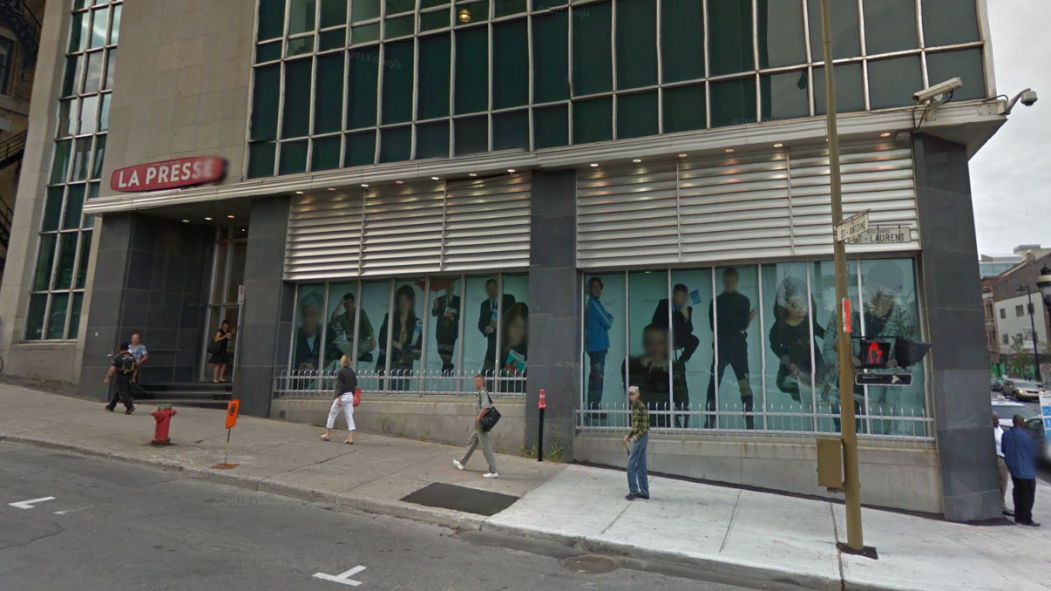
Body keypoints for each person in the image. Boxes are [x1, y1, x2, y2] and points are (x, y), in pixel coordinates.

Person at [706, 268, 757, 429]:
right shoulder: (721, 301)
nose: (729, 283)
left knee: (743, 384)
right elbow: (716, 326)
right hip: (725, 347)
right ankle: (710, 420)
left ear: (735, 281)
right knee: (715, 384)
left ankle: (749, 420)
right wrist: (739, 323)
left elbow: (721, 325)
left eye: (731, 281)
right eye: (727, 281)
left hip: (731, 347)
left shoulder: (732, 301)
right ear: (724, 281)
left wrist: (731, 323)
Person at [768, 277, 826, 405]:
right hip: (793, 371)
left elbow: (824, 334)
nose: (800, 309)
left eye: (802, 303)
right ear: (784, 307)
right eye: (794, 305)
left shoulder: (808, 322)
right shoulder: (779, 327)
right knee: (799, 394)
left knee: (816, 395)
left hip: (814, 367)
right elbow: (775, 346)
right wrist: (789, 363)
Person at [622, 323, 688, 428]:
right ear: (644, 343)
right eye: (650, 342)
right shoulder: (632, 364)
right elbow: (632, 397)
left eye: (660, 342)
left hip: (669, 425)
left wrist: (667, 373)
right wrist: (644, 370)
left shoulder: (675, 367)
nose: (655, 347)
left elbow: (682, 403)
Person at [377, 285, 423, 391]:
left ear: (411, 301)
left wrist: (397, 345)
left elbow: (417, 353)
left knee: (402, 397)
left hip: (405, 369)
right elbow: (383, 342)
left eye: (406, 300)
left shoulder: (416, 323)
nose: (403, 303)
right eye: (401, 300)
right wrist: (406, 349)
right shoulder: (389, 318)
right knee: (384, 398)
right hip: (386, 367)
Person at [453, 374, 498, 478]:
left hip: (481, 423)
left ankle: (493, 471)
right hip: (479, 424)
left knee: (485, 447)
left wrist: (478, 419)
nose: (476, 383)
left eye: (478, 381)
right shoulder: (480, 392)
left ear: (483, 382)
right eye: (475, 381)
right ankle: (462, 463)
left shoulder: (482, 392)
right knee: (471, 442)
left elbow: (485, 408)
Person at [1001, 414, 1040, 526]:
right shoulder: (1027, 437)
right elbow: (1034, 453)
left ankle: (1018, 516)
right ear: (1022, 423)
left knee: (1018, 492)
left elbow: (1003, 449)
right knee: (1028, 494)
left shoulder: (1006, 435)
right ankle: (1026, 518)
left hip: (1013, 469)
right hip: (1026, 469)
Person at [585, 277, 614, 414]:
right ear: (590, 290)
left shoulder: (595, 303)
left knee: (597, 378)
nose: (597, 290)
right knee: (597, 379)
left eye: (598, 287)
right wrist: (610, 317)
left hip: (597, 348)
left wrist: (609, 317)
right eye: (593, 287)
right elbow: (608, 322)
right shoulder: (593, 304)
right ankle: (594, 409)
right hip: (597, 348)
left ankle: (594, 408)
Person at [478, 278, 515, 380]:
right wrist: (485, 329)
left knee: (507, 373)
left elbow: (514, 318)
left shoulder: (508, 299)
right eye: (489, 289)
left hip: (507, 343)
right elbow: (480, 324)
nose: (492, 291)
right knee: (488, 374)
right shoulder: (485, 304)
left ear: (498, 288)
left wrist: (501, 323)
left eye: (493, 289)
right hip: (492, 344)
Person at [652, 283, 700, 363]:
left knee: (694, 341)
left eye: (681, 296)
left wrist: (686, 318)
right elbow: (654, 322)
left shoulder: (688, 308)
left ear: (685, 297)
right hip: (663, 337)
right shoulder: (663, 304)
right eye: (676, 295)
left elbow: (689, 331)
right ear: (673, 294)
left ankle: (680, 363)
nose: (678, 298)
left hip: (678, 338)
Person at [327, 292, 376, 365]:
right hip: (351, 345)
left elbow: (367, 325)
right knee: (338, 344)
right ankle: (358, 355)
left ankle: (354, 355)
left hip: (362, 343)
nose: (348, 305)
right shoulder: (343, 317)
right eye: (346, 303)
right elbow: (333, 319)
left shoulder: (360, 312)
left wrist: (372, 339)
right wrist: (340, 303)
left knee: (371, 345)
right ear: (344, 305)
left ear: (352, 303)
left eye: (350, 302)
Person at [321, 355, 358, 444]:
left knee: (332, 414)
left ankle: (328, 434)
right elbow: (354, 384)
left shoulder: (341, 372)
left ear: (342, 361)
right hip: (350, 395)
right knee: (349, 416)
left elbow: (340, 385)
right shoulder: (352, 372)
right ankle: (351, 437)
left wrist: (339, 397)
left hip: (343, 395)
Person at [625, 386, 650, 501]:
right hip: (640, 437)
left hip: (641, 438)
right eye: (630, 394)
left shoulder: (641, 407)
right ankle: (644, 491)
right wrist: (629, 435)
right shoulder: (635, 407)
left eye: (633, 393)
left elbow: (645, 426)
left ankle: (633, 491)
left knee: (630, 463)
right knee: (641, 465)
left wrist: (637, 436)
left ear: (638, 394)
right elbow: (636, 426)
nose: (631, 396)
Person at [431, 281, 461, 376]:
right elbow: (434, 314)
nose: (449, 289)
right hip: (441, 331)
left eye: (451, 288)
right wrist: (435, 306)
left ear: (453, 288)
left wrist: (453, 318)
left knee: (449, 352)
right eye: (447, 288)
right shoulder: (440, 299)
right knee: (440, 350)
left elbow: (460, 314)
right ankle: (448, 366)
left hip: (451, 331)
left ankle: (446, 368)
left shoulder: (458, 300)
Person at [499, 303, 529, 392]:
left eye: (523, 327)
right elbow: (486, 379)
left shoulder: (528, 352)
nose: (519, 331)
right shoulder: (496, 348)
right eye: (516, 325)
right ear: (507, 325)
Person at [103, 342, 137, 414]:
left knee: (123, 393)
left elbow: (112, 369)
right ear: (127, 348)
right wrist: (133, 378)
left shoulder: (118, 357)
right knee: (119, 391)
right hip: (129, 377)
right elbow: (135, 368)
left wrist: (107, 378)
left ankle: (130, 407)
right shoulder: (132, 356)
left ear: (120, 348)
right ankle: (111, 406)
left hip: (121, 378)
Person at [293, 292, 323, 371]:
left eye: (312, 315)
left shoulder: (329, 336)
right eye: (305, 314)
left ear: (320, 315)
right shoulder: (295, 336)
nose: (307, 319)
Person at [993, 412, 1013, 517]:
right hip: (998, 458)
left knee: (1004, 482)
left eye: (997, 419)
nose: (997, 421)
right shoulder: (990, 431)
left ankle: (1001, 504)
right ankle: (1001, 506)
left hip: (1004, 457)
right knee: (1001, 482)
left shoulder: (999, 429)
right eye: (994, 419)